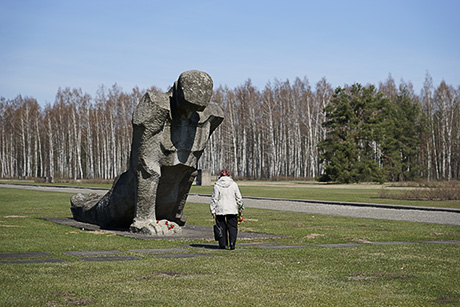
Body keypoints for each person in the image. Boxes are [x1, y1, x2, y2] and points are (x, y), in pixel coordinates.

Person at [210, 169, 243, 250]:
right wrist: (240, 206)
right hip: (232, 208)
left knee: (221, 227)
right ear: (228, 175)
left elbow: (215, 198)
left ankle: (222, 244)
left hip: (220, 209)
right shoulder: (233, 184)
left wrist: (212, 209)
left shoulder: (217, 185)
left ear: (220, 175)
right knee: (232, 227)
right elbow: (238, 197)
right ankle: (232, 243)